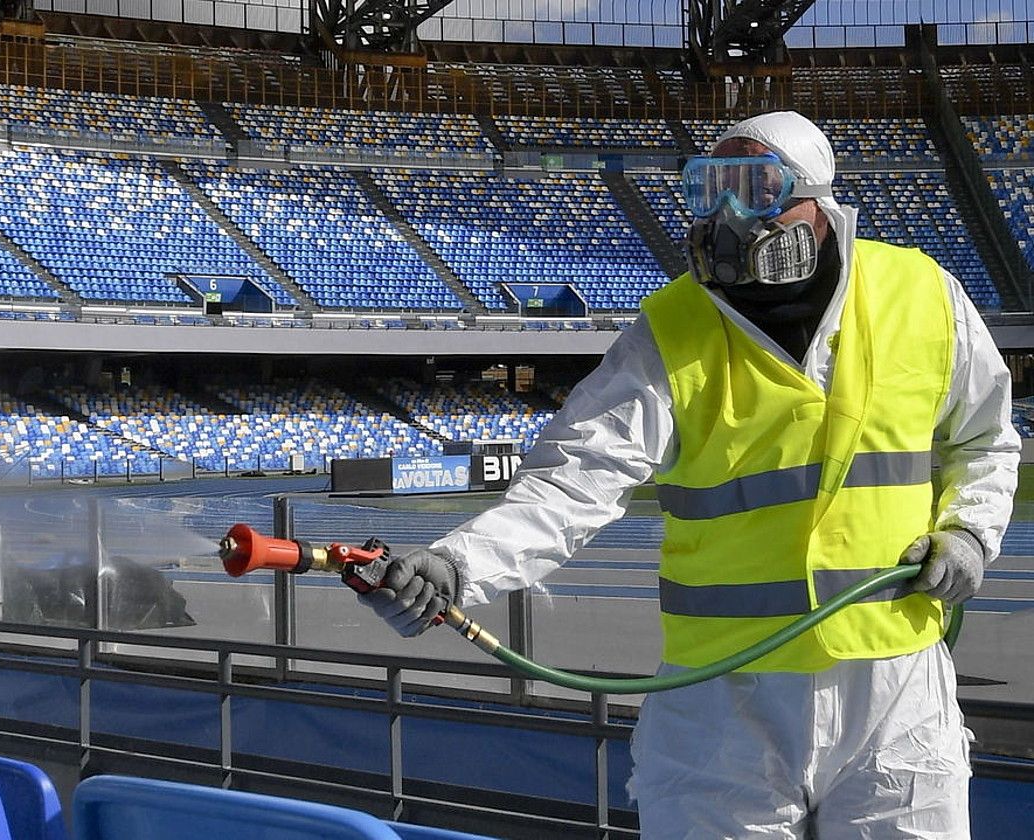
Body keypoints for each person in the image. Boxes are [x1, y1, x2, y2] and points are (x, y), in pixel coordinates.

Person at [358, 110, 1020, 838]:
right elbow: (573, 481)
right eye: (709, 191)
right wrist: (458, 564)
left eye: (756, 188)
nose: (728, 215)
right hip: (721, 703)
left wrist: (968, 533)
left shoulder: (924, 296)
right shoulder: (670, 330)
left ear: (821, 206)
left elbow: (984, 439)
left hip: (894, 691)